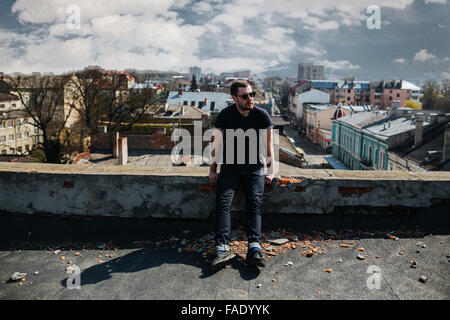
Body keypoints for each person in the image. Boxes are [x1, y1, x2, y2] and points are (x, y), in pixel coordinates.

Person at [208, 80, 275, 270]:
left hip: (254, 167)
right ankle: (222, 249)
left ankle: (254, 249)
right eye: (245, 96)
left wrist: (271, 170)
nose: (250, 99)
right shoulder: (225, 116)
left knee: (254, 203)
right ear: (234, 98)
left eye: (252, 95)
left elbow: (268, 146)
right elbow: (216, 146)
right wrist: (212, 170)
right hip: (230, 167)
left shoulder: (262, 115)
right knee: (222, 203)